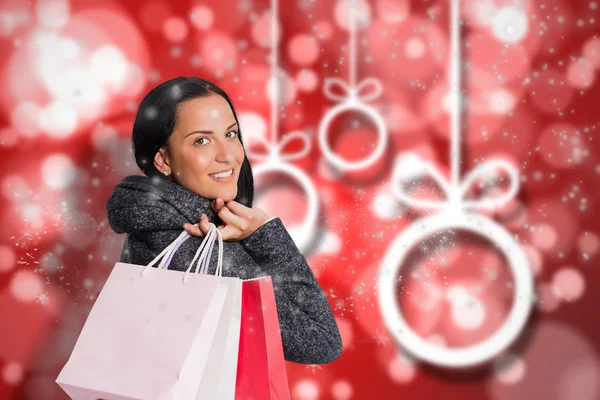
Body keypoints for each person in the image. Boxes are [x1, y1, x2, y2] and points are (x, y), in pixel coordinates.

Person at [105, 76, 343, 364]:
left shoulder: (155, 219)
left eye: (230, 134)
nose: (228, 155)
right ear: (163, 160)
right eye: (202, 141)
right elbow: (321, 341)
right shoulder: (194, 242)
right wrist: (265, 233)